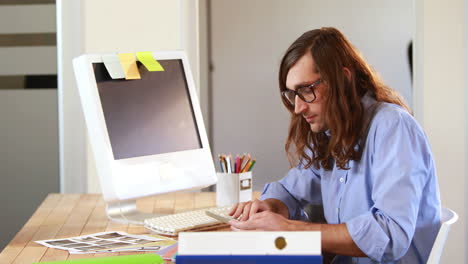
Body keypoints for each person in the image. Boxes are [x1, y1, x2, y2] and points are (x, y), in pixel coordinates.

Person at [228, 27, 441, 264]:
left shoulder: (393, 127)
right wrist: (270, 207)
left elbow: (389, 234)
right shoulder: (330, 131)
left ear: (343, 79)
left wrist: (291, 228)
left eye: (306, 90)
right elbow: (290, 190)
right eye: (292, 94)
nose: (298, 108)